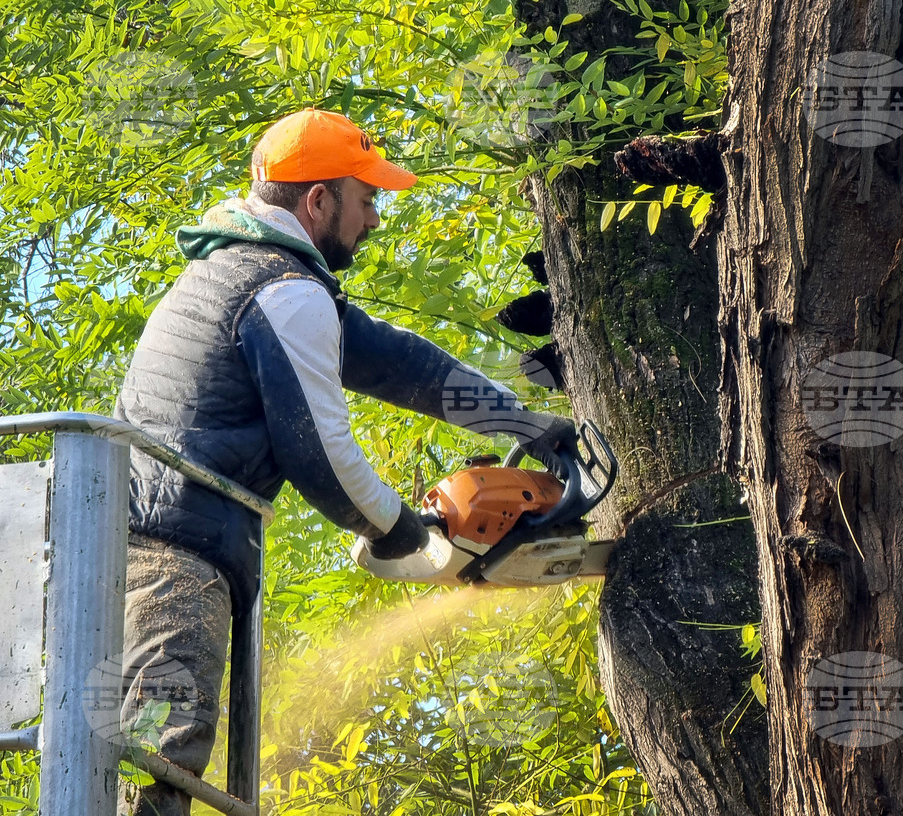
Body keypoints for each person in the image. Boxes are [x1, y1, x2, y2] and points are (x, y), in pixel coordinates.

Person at [113, 108, 575, 816]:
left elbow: (402, 365)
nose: (376, 219)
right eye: (367, 200)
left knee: (153, 749)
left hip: (150, 549)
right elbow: (319, 455)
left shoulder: (254, 272)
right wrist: (406, 534)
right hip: (171, 558)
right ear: (318, 200)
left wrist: (527, 423)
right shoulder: (281, 291)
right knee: (159, 754)